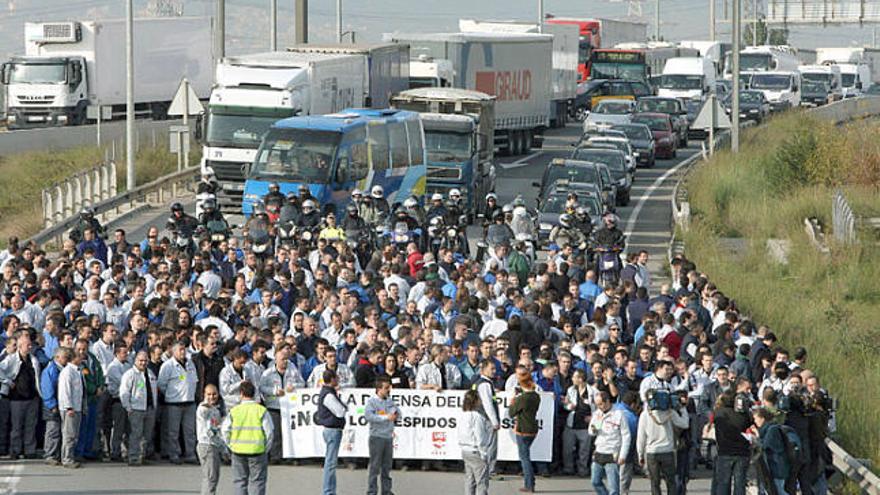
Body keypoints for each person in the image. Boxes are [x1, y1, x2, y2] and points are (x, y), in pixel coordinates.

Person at [222, 381, 273, 495]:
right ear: (254, 393)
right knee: (258, 482)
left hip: (238, 451)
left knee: (240, 481)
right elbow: (269, 432)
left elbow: (225, 430)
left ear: (241, 393)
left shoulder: (234, 411)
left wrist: (230, 445)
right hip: (257, 451)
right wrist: (266, 448)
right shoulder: (261, 410)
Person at [637, 389, 690, 495]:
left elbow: (641, 437)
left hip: (652, 452)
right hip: (668, 451)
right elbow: (685, 424)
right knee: (671, 482)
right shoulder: (670, 412)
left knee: (655, 482)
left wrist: (640, 454)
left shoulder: (645, 415)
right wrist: (683, 408)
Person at [0, 330, 42, 460]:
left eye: (30, 345)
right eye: (27, 345)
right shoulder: (11, 359)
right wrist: (7, 381)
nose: (30, 347)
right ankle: (15, 450)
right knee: (16, 426)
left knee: (31, 425)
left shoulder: (33, 360)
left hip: (32, 397)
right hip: (16, 398)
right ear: (20, 345)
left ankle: (29, 450)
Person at [158, 341, 199, 464]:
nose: (183, 352)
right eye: (180, 350)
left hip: (190, 402)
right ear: (173, 351)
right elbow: (161, 384)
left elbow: (195, 380)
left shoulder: (190, 363)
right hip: (174, 404)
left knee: (190, 432)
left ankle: (190, 454)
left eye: (184, 349)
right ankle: (174, 454)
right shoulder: (167, 366)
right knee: (173, 432)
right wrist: (171, 395)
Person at [119, 350, 158, 466]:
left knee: (147, 435)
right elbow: (124, 392)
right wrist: (128, 407)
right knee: (136, 434)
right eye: (141, 360)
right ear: (136, 360)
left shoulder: (150, 373)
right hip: (136, 409)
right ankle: (133, 457)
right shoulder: (130, 374)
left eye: (145, 360)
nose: (143, 363)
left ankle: (142, 456)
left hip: (149, 408)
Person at [589, 390, 632, 495]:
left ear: (607, 401)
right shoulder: (597, 414)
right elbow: (591, 431)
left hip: (613, 453)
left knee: (613, 488)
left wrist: (623, 455)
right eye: (597, 404)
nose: (599, 407)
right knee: (595, 481)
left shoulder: (619, 414)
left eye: (601, 404)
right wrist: (593, 430)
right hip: (599, 450)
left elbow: (626, 436)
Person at [364, 375, 401, 495]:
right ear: (379, 389)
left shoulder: (390, 401)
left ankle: (386, 490)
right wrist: (385, 417)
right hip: (377, 437)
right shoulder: (372, 402)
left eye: (389, 388)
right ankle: (372, 491)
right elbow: (369, 416)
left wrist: (394, 412)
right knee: (375, 467)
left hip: (388, 437)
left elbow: (398, 413)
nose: (388, 390)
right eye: (386, 388)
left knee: (387, 467)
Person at [508, 370, 541, 493]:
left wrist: (513, 400)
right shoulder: (536, 396)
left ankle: (529, 483)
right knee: (526, 455)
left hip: (523, 429)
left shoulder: (522, 398)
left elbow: (511, 413)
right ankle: (530, 482)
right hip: (533, 428)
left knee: (525, 458)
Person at [712, 392, 751, 495]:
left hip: (725, 451)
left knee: (723, 483)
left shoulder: (719, 413)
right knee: (740, 483)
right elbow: (749, 422)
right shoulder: (743, 414)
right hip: (742, 451)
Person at [316, 369, 347, 495]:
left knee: (331, 463)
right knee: (330, 463)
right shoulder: (328, 394)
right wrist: (343, 407)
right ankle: (328, 491)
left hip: (332, 430)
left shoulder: (330, 392)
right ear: (332, 379)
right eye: (337, 377)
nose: (338, 379)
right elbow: (340, 411)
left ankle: (330, 491)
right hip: (332, 430)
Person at [458, 389, 492, 495]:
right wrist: (484, 453)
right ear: (476, 401)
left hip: (465, 450)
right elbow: (480, 436)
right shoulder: (477, 417)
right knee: (482, 482)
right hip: (475, 451)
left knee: (470, 480)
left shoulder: (463, 415)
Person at [40, 347, 69, 465]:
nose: (67, 359)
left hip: (61, 404)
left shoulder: (64, 369)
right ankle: (49, 454)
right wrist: (52, 405)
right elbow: (47, 388)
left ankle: (57, 454)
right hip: (52, 405)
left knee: (61, 430)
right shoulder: (50, 369)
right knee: (53, 430)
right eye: (64, 357)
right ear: (57, 357)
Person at [753, 407, 791, 495]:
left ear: (762, 418)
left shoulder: (771, 429)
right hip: (776, 465)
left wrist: (756, 437)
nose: (755, 421)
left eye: (756, 418)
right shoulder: (768, 428)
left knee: (780, 491)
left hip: (777, 467)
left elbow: (764, 445)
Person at [472, 359, 500, 477]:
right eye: (491, 369)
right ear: (483, 369)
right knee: (489, 446)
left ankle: (482, 470)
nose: (494, 371)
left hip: (479, 416)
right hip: (485, 418)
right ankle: (489, 470)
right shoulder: (485, 384)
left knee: (482, 444)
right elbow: (488, 404)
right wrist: (494, 421)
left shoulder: (478, 383)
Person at [562, 368, 593, 477]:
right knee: (567, 449)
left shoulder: (592, 391)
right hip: (571, 424)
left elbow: (598, 407)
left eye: (574, 377)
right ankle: (568, 468)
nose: (572, 379)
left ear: (580, 379)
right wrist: (568, 406)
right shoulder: (570, 390)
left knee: (584, 451)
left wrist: (592, 418)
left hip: (585, 426)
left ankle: (582, 469)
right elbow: (566, 404)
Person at [57, 346, 84, 469]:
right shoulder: (67, 372)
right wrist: (69, 407)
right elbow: (65, 391)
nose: (82, 357)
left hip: (77, 407)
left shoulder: (77, 371)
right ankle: (66, 458)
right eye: (79, 355)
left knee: (74, 435)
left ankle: (71, 456)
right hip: (70, 409)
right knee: (69, 434)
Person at [197, 384, 225, 495]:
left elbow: (218, 428)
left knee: (213, 477)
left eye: (214, 394)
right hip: (206, 445)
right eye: (209, 394)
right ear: (204, 394)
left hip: (214, 445)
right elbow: (203, 412)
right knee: (210, 478)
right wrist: (206, 404)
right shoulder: (203, 407)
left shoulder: (216, 410)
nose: (212, 397)